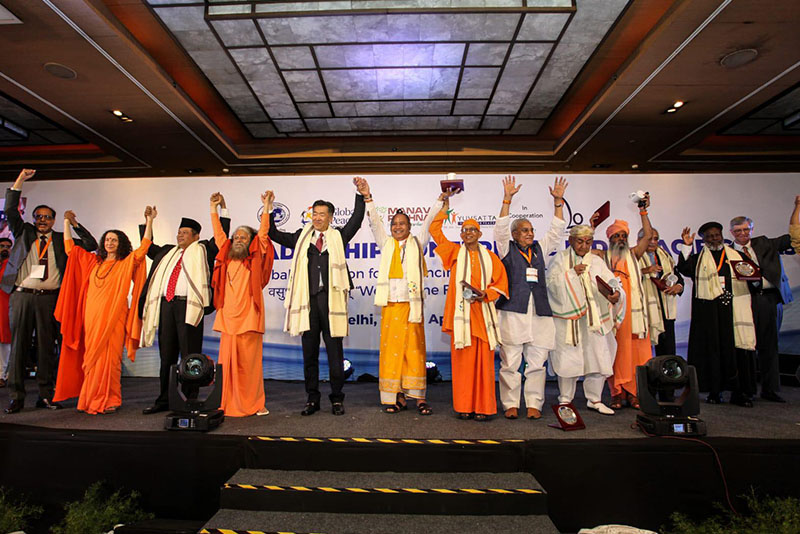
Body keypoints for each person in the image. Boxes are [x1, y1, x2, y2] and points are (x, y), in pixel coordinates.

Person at [269, 178, 368, 416]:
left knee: (335, 355)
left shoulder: (338, 237)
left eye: (322, 214)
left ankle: (337, 399)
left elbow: (356, 220)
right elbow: (273, 233)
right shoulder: (301, 237)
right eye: (314, 213)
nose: (317, 218)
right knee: (309, 354)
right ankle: (312, 399)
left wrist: (360, 194)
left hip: (331, 302)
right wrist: (269, 208)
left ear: (331, 217)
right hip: (308, 304)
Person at [3, 169, 98, 414]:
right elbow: (11, 210)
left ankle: (45, 395)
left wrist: (74, 224)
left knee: (47, 347)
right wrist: (20, 180)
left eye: (47, 217)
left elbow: (91, 245)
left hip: (51, 299)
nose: (42, 220)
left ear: (54, 220)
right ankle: (16, 397)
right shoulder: (23, 232)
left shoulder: (60, 239)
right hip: (22, 296)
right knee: (19, 347)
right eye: (38, 217)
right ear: (33, 219)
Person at [53, 209, 153, 414]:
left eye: (114, 240)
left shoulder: (126, 262)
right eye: (107, 239)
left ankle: (111, 399)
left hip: (115, 317)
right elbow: (70, 249)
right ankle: (89, 398)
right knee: (91, 357)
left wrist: (149, 221)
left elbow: (144, 247)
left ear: (121, 243)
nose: (110, 243)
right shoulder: (93, 262)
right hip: (92, 316)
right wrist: (67, 223)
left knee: (111, 359)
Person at [139, 203, 230, 415]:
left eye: (185, 232)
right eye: (179, 232)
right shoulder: (167, 252)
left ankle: (190, 398)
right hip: (166, 306)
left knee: (190, 354)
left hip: (189, 307)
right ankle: (164, 399)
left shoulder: (203, 249)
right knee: (167, 356)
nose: (180, 235)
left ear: (196, 236)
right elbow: (147, 247)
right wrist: (149, 221)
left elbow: (221, 238)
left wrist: (221, 210)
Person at [430, 189, 508, 421]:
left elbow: (501, 284)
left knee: (484, 366)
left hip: (482, 316)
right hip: (461, 318)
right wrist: (444, 207)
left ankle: (483, 408)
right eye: (464, 230)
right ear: (461, 235)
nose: (468, 233)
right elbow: (434, 230)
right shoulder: (454, 252)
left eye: (472, 229)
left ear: (480, 233)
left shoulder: (490, 256)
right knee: (463, 365)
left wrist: (486, 294)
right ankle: (464, 406)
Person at [494, 175, 567, 420]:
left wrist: (558, 203)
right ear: (515, 234)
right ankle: (510, 403)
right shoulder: (506, 248)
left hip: (539, 314)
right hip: (513, 313)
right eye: (525, 230)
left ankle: (534, 402)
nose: (530, 233)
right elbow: (500, 229)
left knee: (537, 362)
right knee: (510, 363)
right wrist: (507, 199)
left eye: (532, 230)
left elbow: (556, 232)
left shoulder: (539, 249)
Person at [366, 189, 442, 415]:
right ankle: (397, 397)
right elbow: (375, 224)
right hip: (391, 305)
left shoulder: (418, 243)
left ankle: (419, 397)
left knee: (414, 351)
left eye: (402, 224)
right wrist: (368, 199)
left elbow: (429, 222)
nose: (398, 227)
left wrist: (440, 200)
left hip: (412, 306)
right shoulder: (386, 243)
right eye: (394, 224)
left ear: (409, 227)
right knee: (392, 352)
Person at [677, 222, 757, 407]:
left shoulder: (736, 256)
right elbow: (684, 268)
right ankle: (715, 391)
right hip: (709, 313)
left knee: (736, 352)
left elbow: (751, 276)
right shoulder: (698, 259)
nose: (714, 239)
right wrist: (687, 246)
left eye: (716, 235)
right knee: (712, 351)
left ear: (722, 236)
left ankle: (739, 393)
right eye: (709, 236)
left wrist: (754, 279)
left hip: (733, 311)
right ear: (704, 240)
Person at [209, 191, 275, 417]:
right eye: (236, 237)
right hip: (228, 319)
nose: (238, 240)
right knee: (226, 365)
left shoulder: (255, 257)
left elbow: (263, 234)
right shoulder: (226, 255)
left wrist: (266, 207)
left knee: (249, 365)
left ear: (251, 242)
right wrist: (215, 208)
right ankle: (226, 401)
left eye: (243, 237)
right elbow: (219, 234)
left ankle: (254, 403)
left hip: (249, 318)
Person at [547, 225, 623, 415]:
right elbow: (551, 285)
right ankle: (565, 399)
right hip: (569, 320)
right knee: (568, 359)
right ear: (571, 241)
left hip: (594, 318)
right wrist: (572, 274)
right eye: (580, 241)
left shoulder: (597, 261)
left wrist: (615, 294)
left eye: (588, 242)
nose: (584, 246)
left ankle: (595, 399)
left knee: (597, 357)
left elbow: (612, 282)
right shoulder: (560, 259)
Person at [729, 209, 796, 404]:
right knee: (745, 346)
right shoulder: (727, 252)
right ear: (731, 232)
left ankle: (770, 389)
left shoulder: (765, 243)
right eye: (738, 231)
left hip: (768, 300)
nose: (743, 234)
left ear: (751, 229)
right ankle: (746, 389)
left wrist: (797, 208)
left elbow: (793, 237)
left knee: (769, 345)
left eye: (746, 230)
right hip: (743, 301)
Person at [597, 197, 653, 410]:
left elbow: (648, 236)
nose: (620, 239)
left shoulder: (634, 254)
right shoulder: (602, 257)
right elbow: (582, 247)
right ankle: (616, 393)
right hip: (614, 314)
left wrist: (643, 212)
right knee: (616, 353)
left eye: (623, 236)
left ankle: (634, 393)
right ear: (609, 239)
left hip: (635, 315)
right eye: (616, 236)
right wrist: (592, 225)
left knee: (637, 355)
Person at [637, 227, 684, 355]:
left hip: (665, 305)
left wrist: (678, 286)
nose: (653, 242)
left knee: (667, 349)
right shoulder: (633, 256)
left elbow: (676, 275)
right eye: (649, 239)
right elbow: (627, 276)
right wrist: (645, 270)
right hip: (645, 307)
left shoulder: (664, 255)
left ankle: (667, 367)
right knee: (644, 349)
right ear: (640, 240)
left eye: (656, 239)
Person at [0, 237, 12, 388]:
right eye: (2, 246)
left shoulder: (11, 265)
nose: (4, 249)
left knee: (5, 341)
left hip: (6, 305)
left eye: (8, 247)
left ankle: (2, 374)